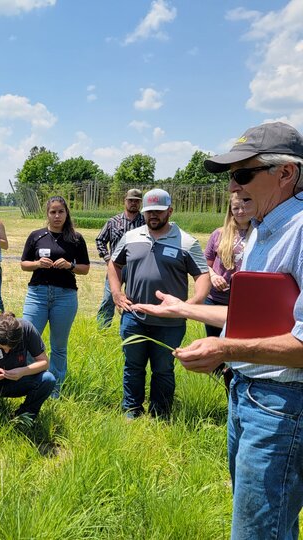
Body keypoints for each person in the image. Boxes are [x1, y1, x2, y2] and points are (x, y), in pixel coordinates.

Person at [131, 122, 303, 539]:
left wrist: (224, 350)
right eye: (231, 176)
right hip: (248, 392)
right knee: (265, 522)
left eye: (244, 173)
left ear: (286, 174)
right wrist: (186, 309)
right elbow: (258, 322)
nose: (234, 186)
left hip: (281, 405)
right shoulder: (264, 229)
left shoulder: (299, 233)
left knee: (257, 532)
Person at [108, 188, 210, 420]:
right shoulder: (131, 237)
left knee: (163, 369)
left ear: (170, 211)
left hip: (170, 322)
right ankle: (131, 411)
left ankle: (160, 414)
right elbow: (114, 265)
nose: (153, 215)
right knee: (133, 365)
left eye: (158, 211)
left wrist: (189, 305)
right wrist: (116, 293)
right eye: (149, 211)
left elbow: (203, 276)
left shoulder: (186, 242)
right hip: (134, 316)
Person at [20, 196, 89, 398]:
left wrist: (70, 266)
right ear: (47, 214)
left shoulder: (75, 238)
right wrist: (37, 264)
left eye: (61, 212)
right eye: (53, 212)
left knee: (59, 346)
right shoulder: (37, 236)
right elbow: (24, 263)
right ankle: (32, 384)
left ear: (67, 213)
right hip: (38, 295)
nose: (57, 216)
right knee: (29, 340)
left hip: (65, 296)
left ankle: (54, 389)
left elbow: (85, 269)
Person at [203, 192, 253, 338]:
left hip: (246, 301)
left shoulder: (260, 234)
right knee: (215, 346)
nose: (241, 212)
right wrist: (213, 276)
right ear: (230, 210)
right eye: (236, 208)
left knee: (240, 347)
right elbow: (205, 264)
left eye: (244, 207)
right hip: (216, 300)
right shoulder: (219, 234)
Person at [94, 189, 145, 329]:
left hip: (138, 268)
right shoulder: (113, 222)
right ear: (125, 201)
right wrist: (107, 259)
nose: (133, 203)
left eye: (136, 201)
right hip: (116, 267)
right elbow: (100, 240)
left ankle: (132, 329)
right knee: (108, 299)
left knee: (136, 299)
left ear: (140, 203)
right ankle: (102, 331)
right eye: (131, 200)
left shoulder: (146, 223)